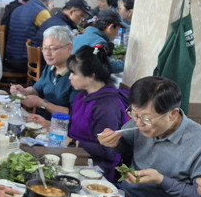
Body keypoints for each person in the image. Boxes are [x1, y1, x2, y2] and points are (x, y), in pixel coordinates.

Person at [98, 76, 201, 197]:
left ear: (173, 114)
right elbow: (126, 149)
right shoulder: (139, 124)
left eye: (146, 119)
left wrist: (161, 180)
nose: (139, 124)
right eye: (134, 114)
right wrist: (115, 144)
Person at [29, 45, 129, 182]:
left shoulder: (108, 106)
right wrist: (50, 124)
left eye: (74, 73)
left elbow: (107, 151)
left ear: (91, 77)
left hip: (95, 169)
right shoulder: (82, 95)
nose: (70, 77)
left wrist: (73, 143)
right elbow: (77, 125)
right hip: (72, 156)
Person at [10, 26, 76, 119]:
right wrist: (24, 91)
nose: (47, 53)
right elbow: (38, 89)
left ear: (69, 48)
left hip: (61, 124)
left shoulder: (77, 74)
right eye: (44, 48)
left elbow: (74, 113)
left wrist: (41, 103)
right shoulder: (51, 66)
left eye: (53, 48)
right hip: (40, 120)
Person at [5, 0, 54, 72]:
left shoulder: (18, 9)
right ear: (49, 3)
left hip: (9, 57)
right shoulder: (42, 12)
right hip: (26, 60)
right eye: (53, 5)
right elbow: (52, 34)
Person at [73, 8, 128, 73]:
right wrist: (127, 64)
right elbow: (108, 66)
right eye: (118, 29)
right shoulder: (99, 43)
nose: (118, 33)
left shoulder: (79, 37)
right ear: (110, 27)